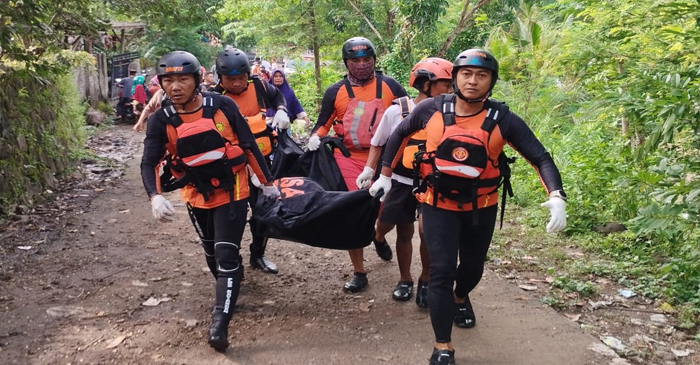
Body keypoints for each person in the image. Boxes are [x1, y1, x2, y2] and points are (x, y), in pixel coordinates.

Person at [368, 49, 568, 365]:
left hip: (481, 206)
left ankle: (461, 297)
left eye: (482, 75)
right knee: (441, 270)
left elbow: (539, 156)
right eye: (466, 74)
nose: (473, 81)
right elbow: (399, 135)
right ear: (456, 78)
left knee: (472, 268)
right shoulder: (431, 109)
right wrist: (385, 175)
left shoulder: (503, 119)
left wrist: (557, 195)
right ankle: (442, 346)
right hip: (437, 204)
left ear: (491, 81)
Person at [140, 51, 280, 352]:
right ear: (161, 83)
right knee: (211, 251)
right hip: (196, 193)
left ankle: (220, 322)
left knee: (226, 253)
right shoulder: (161, 119)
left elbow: (248, 145)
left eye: (182, 79)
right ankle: (228, 286)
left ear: (197, 80)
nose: (175, 86)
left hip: (234, 190)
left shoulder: (223, 106)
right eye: (168, 80)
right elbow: (149, 161)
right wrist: (155, 196)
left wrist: (266, 183)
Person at [306, 37, 408, 293]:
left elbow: (409, 117)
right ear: (346, 63)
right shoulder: (335, 91)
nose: (361, 65)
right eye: (355, 61)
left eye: (367, 60)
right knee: (354, 213)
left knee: (387, 212)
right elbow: (324, 122)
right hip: (348, 158)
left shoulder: (390, 86)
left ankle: (379, 235)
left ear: (374, 60)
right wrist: (315, 137)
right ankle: (359, 271)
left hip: (386, 159)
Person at [356, 57, 453, 307]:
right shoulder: (397, 110)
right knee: (394, 227)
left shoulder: (451, 112)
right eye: (446, 84)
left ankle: (422, 280)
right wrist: (371, 170)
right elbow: (379, 142)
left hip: (433, 183)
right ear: (425, 84)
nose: (452, 89)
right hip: (400, 180)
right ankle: (386, 250)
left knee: (425, 233)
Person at [214, 47, 291, 274]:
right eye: (230, 79)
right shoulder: (214, 98)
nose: (237, 83)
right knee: (233, 216)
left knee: (262, 212)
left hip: (262, 160)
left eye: (241, 78)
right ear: (221, 78)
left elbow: (278, 96)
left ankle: (257, 253)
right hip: (232, 166)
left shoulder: (258, 85)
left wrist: (281, 110)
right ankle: (230, 258)